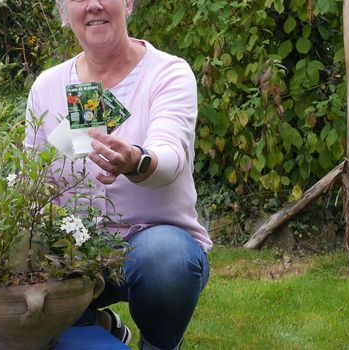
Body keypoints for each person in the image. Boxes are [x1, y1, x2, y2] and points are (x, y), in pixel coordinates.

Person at [24, 0, 212, 349]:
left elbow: (170, 156)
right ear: (65, 12)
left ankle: (157, 343)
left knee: (166, 258)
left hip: (151, 243)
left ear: (128, 3)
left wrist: (136, 161)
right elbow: (34, 182)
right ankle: (95, 327)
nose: (93, 5)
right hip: (72, 251)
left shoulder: (167, 73)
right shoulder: (48, 86)